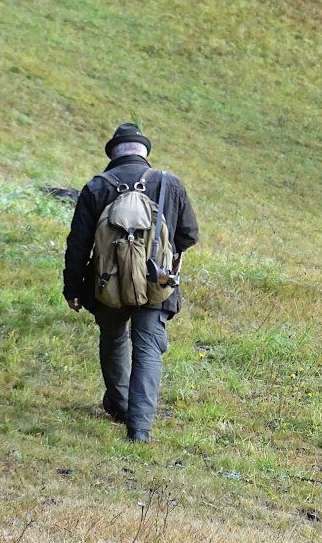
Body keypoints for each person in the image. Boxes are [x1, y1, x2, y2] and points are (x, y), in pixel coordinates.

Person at [63, 123, 199, 443]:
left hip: (105, 283)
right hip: (156, 283)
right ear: (144, 153)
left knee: (112, 338)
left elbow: (78, 246)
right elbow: (189, 236)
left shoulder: (97, 187)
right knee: (148, 348)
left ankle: (120, 403)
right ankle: (139, 430)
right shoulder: (170, 184)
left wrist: (72, 288)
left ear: (114, 154)